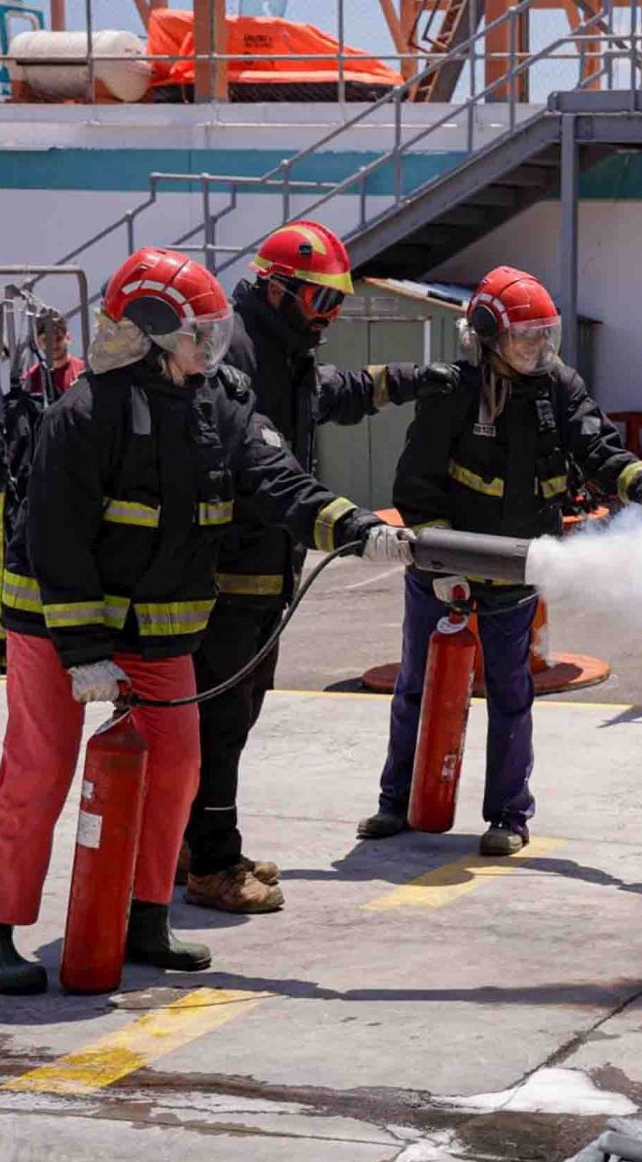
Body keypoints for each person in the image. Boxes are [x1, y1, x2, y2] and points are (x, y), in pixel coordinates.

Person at [0, 247, 411, 996]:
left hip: (158, 632)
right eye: (198, 332)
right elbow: (56, 541)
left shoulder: (217, 402)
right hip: (55, 626)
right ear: (150, 331)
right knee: (40, 771)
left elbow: (276, 478)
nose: (213, 344)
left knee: (176, 769)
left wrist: (355, 526)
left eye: (214, 329)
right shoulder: (84, 414)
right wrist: (84, 654)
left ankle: (143, 917)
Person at [182, 220, 461, 915]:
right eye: (319, 302)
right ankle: (211, 863)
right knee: (219, 722)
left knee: (234, 720)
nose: (329, 318)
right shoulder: (238, 357)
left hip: (264, 574)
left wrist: (406, 380)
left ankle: (195, 841)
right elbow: (269, 473)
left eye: (337, 303)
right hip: (228, 578)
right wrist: (352, 525)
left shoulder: (282, 350)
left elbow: (328, 394)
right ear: (278, 291)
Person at [358, 266, 642, 855]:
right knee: (417, 688)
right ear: (485, 335)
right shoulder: (452, 390)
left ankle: (508, 815)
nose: (538, 350)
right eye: (523, 338)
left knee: (510, 692)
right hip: (443, 565)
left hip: (519, 566)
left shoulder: (560, 385)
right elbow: (417, 485)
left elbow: (598, 446)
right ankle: (395, 803)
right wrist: (443, 560)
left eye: (544, 336)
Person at [20, 310, 86, 400]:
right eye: (46, 340)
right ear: (38, 343)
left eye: (58, 338)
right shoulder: (30, 380)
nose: (54, 345)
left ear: (68, 337)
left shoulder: (84, 371)